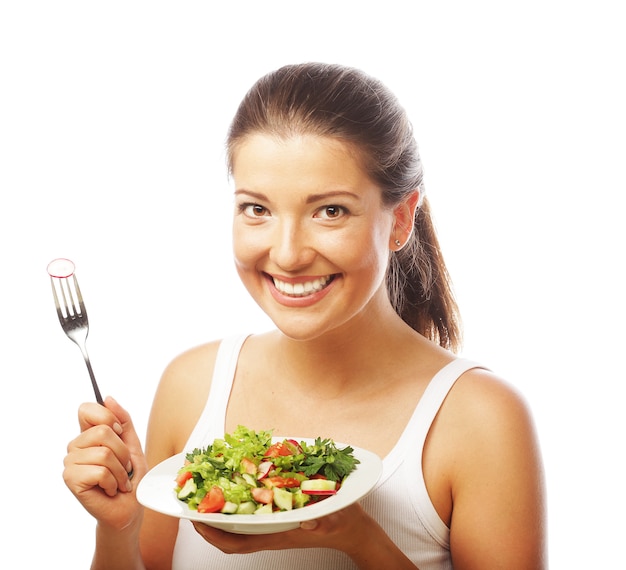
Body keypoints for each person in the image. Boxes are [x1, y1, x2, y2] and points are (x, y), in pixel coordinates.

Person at [63, 62, 546, 569]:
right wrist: (118, 526)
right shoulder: (192, 384)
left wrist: (360, 539)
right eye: (257, 209)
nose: (288, 254)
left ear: (400, 218)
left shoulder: (480, 418)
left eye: (330, 211)